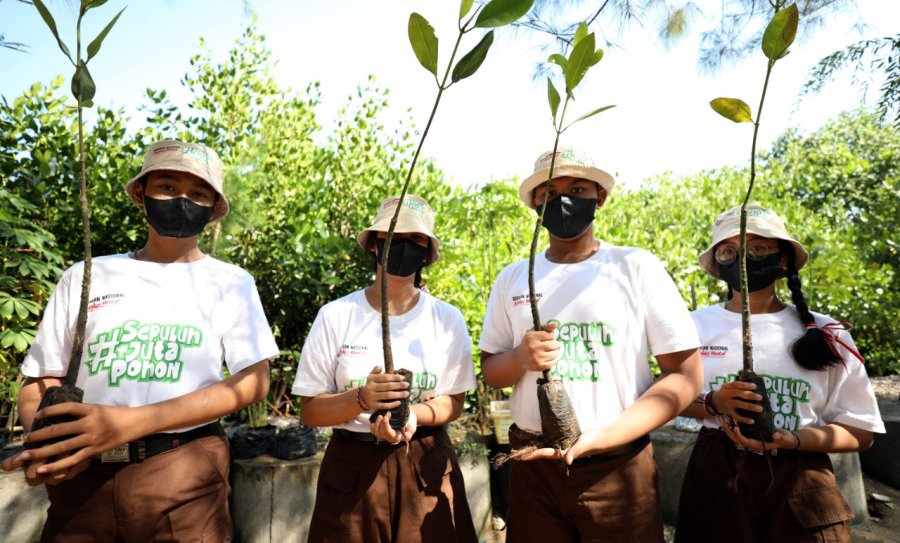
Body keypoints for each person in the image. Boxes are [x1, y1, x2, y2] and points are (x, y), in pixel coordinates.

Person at [1, 139, 278, 541]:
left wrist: (128, 424)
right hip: (84, 478)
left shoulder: (231, 283)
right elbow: (41, 380)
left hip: (184, 473)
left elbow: (254, 381)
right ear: (141, 194)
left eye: (199, 192)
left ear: (212, 208)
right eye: (167, 186)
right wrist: (49, 443)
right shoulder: (87, 275)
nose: (182, 200)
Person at [478, 147, 704, 543]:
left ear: (599, 197)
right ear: (534, 204)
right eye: (549, 192)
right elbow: (493, 370)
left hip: (617, 467)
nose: (564, 199)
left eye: (578, 188)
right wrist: (520, 357)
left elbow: (685, 375)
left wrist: (606, 437)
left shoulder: (635, 267)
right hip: (533, 467)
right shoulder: (512, 278)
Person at [674, 204, 886, 543]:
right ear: (718, 264)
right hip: (717, 472)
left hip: (801, 474)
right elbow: (669, 399)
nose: (743, 259)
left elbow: (861, 432)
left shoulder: (825, 331)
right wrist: (714, 403)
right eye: (729, 251)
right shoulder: (692, 326)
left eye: (758, 248)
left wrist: (795, 439)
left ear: (783, 259)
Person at [293, 194, 478, 543]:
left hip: (425, 463)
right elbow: (311, 412)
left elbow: (454, 401)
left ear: (426, 253)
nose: (405, 245)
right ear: (376, 245)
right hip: (352, 469)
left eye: (416, 239)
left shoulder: (446, 318)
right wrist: (361, 398)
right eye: (395, 236)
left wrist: (415, 416)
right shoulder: (335, 316)